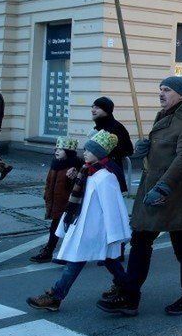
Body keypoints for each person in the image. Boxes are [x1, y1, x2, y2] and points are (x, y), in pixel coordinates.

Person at [97, 76, 182, 317]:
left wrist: (164, 187)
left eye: (166, 90)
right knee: (141, 240)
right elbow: (162, 150)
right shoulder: (163, 115)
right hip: (153, 190)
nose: (161, 93)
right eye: (160, 89)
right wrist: (142, 150)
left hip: (174, 195)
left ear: (180, 94)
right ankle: (129, 296)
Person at [26, 131, 131, 312]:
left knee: (77, 261)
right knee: (108, 260)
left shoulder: (105, 176)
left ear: (99, 153)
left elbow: (112, 208)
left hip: (96, 230)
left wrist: (114, 234)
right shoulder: (88, 171)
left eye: (90, 150)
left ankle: (55, 297)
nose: (85, 153)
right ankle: (127, 288)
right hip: (85, 227)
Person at [29, 137, 83, 263]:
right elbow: (49, 182)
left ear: (68, 152)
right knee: (55, 228)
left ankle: (62, 253)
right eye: (56, 149)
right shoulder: (55, 164)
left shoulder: (73, 167)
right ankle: (50, 251)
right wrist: (46, 195)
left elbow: (77, 186)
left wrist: (75, 176)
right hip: (55, 203)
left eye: (61, 149)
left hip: (67, 204)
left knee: (67, 229)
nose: (57, 151)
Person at [90, 97, 134, 192]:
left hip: (109, 171)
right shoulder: (97, 127)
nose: (93, 110)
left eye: (97, 107)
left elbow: (128, 150)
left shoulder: (116, 127)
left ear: (106, 110)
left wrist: (106, 149)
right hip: (95, 169)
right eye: (92, 107)